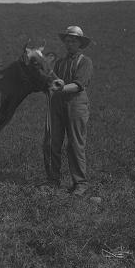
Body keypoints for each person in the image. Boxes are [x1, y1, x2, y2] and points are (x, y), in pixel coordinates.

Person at [42, 26, 93, 196]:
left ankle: (80, 183)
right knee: (51, 143)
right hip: (57, 104)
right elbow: (52, 82)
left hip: (76, 105)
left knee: (75, 145)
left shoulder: (85, 62)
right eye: (67, 40)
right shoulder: (60, 63)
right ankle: (52, 180)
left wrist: (59, 88)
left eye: (73, 40)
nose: (69, 43)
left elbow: (79, 84)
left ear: (80, 43)